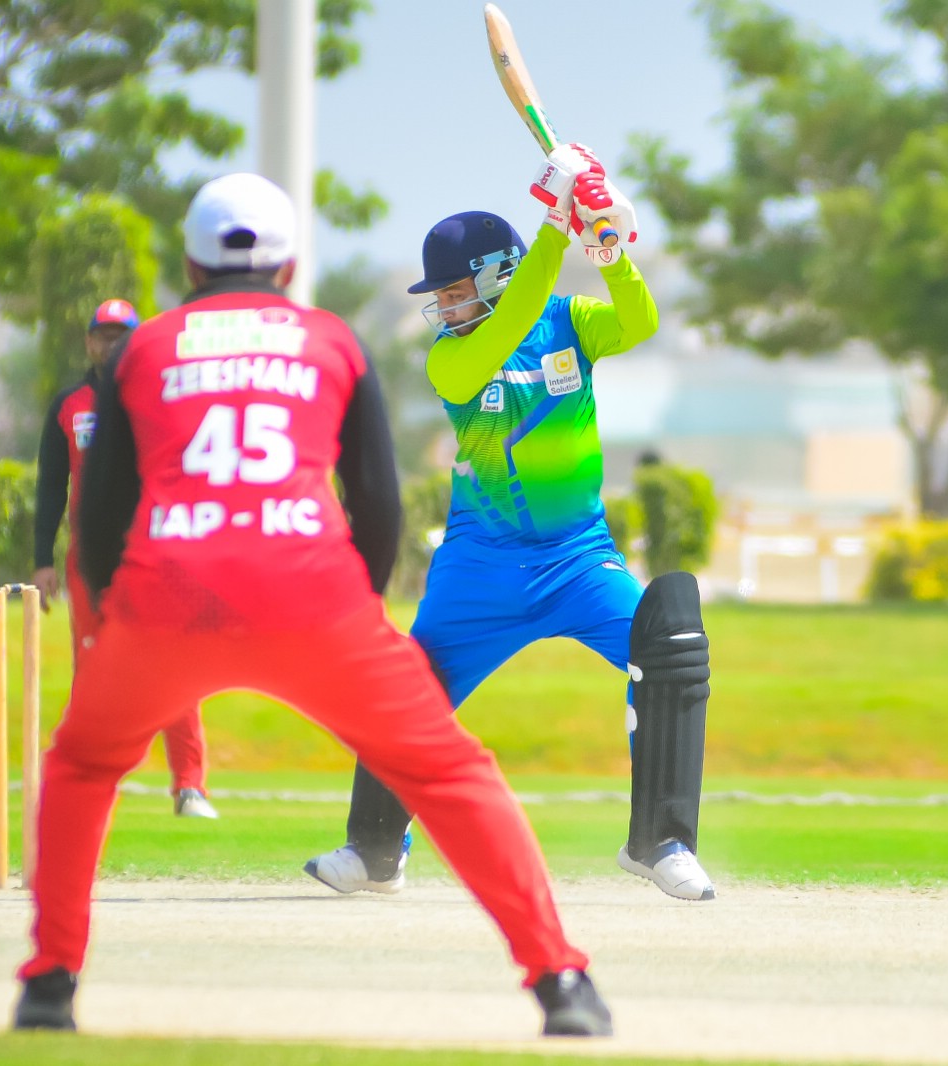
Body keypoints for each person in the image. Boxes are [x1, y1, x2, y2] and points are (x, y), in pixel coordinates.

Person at [11, 172, 611, 1039]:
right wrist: (355, 609)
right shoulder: (331, 340)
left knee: (80, 765)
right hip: (311, 594)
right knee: (448, 771)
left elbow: (98, 514)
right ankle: (561, 981)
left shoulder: (142, 351)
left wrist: (115, 621)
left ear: (190, 265)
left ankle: (48, 985)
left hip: (167, 594)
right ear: (290, 267)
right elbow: (378, 503)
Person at [304, 144, 714, 903]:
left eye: (455, 290)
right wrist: (557, 225)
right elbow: (516, 316)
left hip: (579, 558)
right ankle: (375, 850)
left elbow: (640, 321)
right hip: (481, 567)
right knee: (410, 684)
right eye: (441, 295)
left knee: (672, 647)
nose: (444, 306)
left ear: (497, 274)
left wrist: (612, 250)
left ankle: (661, 841)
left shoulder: (569, 321)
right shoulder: (451, 360)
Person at [33, 299, 219, 820]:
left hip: (156, 554)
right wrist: (41, 559)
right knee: (94, 670)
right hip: (90, 559)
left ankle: (189, 786)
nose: (111, 344)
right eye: (104, 335)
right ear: (89, 341)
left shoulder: (164, 395)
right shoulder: (70, 404)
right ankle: (88, 784)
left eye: (122, 336)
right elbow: (50, 485)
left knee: (174, 667)